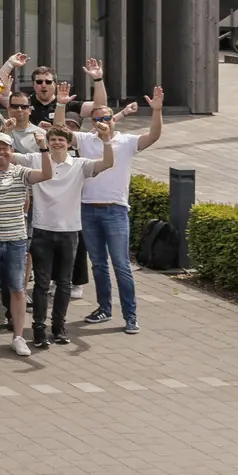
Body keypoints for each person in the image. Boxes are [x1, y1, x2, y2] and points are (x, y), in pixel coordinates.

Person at [80, 85, 159, 334]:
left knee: (121, 265)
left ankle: (130, 316)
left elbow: (153, 136)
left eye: (106, 118)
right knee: (98, 264)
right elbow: (59, 130)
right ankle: (104, 308)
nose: (102, 123)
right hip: (88, 209)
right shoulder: (85, 140)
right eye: (97, 120)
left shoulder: (126, 142)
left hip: (115, 211)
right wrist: (61, 104)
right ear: (92, 123)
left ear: (113, 119)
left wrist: (157, 111)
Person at [29, 122, 114, 349]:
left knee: (64, 283)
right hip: (42, 230)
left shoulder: (79, 164)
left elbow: (107, 163)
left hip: (69, 232)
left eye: (61, 140)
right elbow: (7, 156)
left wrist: (106, 140)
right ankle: (39, 329)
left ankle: (59, 327)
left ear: (69, 144)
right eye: (53, 139)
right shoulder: (37, 159)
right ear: (47, 142)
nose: (57, 143)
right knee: (42, 284)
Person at [0, 129, 55, 356]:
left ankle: (18, 337)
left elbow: (47, 174)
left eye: (5, 148)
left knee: (18, 290)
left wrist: (43, 148)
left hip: (16, 240)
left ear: (11, 150)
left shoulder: (21, 172)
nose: (1, 151)